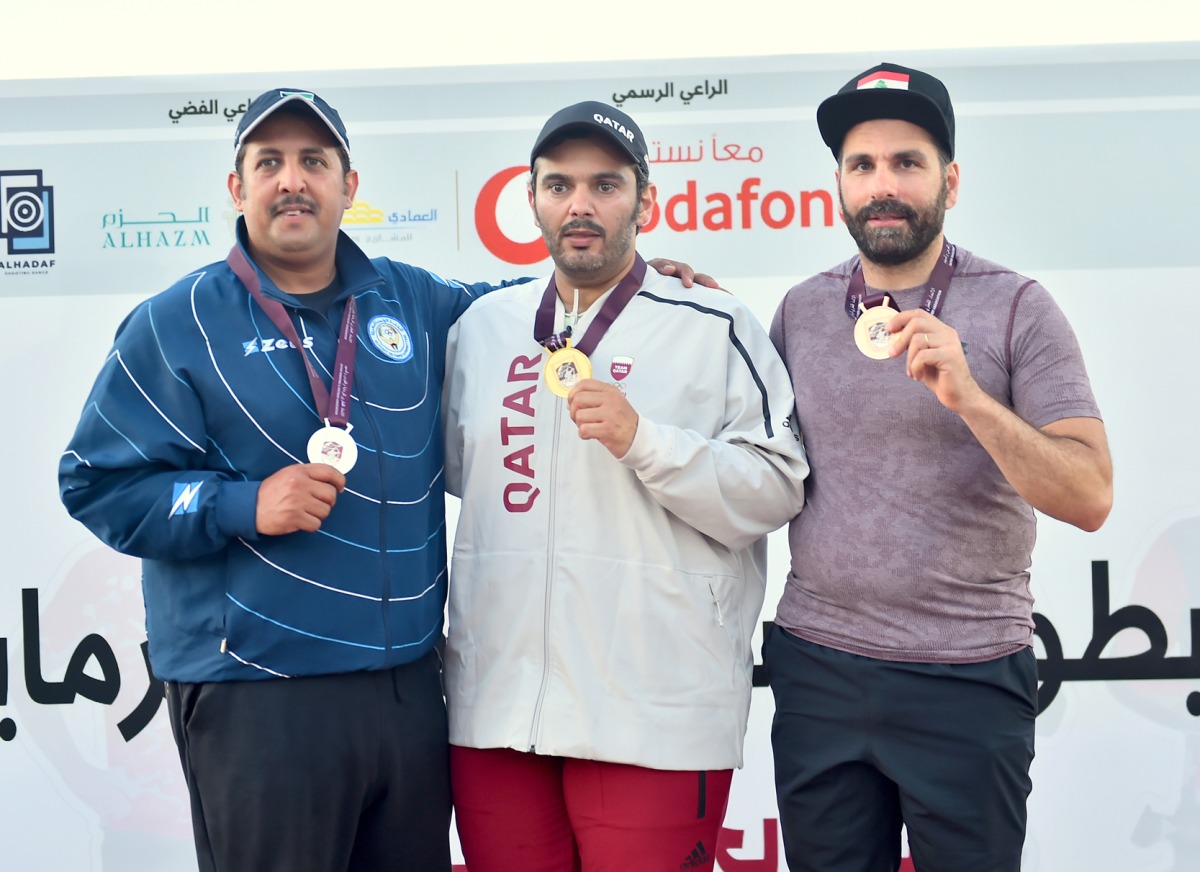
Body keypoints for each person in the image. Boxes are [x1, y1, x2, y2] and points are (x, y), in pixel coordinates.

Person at [58, 87, 702, 872]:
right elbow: (97, 482)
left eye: (314, 162)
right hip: (261, 691)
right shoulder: (177, 320)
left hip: (405, 692)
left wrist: (635, 280)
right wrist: (241, 504)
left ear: (348, 186)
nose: (293, 180)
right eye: (270, 163)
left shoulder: (410, 300)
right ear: (237, 188)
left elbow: (529, 312)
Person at [441, 101, 810, 872]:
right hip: (497, 712)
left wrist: (647, 443)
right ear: (532, 199)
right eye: (559, 185)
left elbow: (778, 488)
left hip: (654, 715)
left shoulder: (715, 324)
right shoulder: (481, 327)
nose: (581, 204)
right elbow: (450, 468)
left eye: (606, 185)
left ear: (646, 202)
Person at [765, 63, 1114, 872]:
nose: (883, 185)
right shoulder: (801, 310)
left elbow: (1091, 494)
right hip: (819, 669)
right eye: (863, 166)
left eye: (907, 163)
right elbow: (748, 449)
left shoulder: (1018, 306)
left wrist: (973, 401)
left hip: (967, 675)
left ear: (949, 181)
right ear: (838, 190)